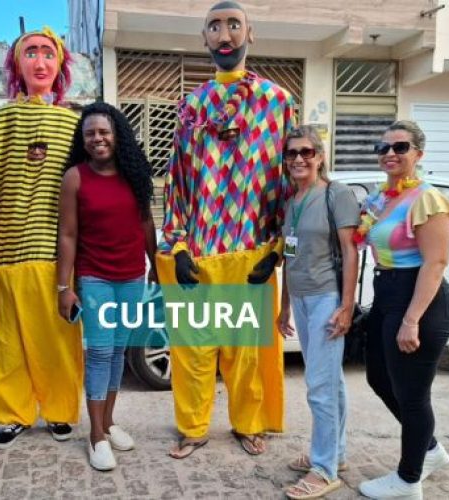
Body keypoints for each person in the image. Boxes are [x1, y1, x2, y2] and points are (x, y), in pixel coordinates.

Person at [156, 0, 294, 459]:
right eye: (215, 26)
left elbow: (288, 177)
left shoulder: (277, 103)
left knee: (246, 351)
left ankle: (248, 424)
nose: (225, 34)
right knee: (194, 351)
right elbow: (177, 179)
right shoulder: (191, 107)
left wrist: (275, 248)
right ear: (205, 38)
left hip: (251, 250)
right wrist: (175, 245)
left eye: (234, 24)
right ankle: (192, 428)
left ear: (250, 34)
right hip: (199, 250)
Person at [0, 26, 83, 450]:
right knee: (4, 339)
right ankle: (13, 412)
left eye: (48, 54)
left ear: (59, 65)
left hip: (52, 246)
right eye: (31, 53)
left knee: (57, 338)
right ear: (16, 65)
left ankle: (60, 410)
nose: (40, 62)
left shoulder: (74, 122)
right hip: (1, 244)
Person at [356, 120, 449, 500]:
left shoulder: (426, 199)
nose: (389, 154)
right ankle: (430, 450)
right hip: (387, 294)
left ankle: (408, 479)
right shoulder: (381, 199)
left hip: (420, 299)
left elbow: (436, 262)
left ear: (418, 154)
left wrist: (412, 320)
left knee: (413, 394)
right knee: (379, 379)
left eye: (400, 147)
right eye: (382, 148)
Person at [57, 102, 157, 471]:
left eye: (103, 132)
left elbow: (146, 222)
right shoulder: (76, 178)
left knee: (118, 352)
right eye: (90, 134)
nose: (97, 139)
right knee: (99, 353)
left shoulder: (135, 173)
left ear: (117, 135)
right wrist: (63, 287)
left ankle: (109, 422)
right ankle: (96, 436)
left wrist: (155, 266)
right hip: (94, 276)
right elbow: (67, 235)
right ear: (82, 140)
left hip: (131, 276)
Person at [276, 126, 359, 499]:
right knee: (330, 382)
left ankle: (323, 469)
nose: (298, 159)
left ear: (320, 156)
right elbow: (290, 257)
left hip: (327, 298)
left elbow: (350, 251)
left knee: (321, 388)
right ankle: (335, 454)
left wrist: (346, 305)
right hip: (303, 298)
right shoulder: (293, 200)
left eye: (306, 152)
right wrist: (283, 307)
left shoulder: (336, 194)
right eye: (291, 153)